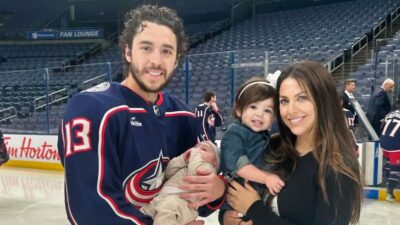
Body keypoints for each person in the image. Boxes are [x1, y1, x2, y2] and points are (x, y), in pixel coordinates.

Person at [57, 5, 225, 225]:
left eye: (166, 51)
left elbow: (194, 199)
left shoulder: (184, 117)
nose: (156, 60)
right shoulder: (91, 108)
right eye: (146, 48)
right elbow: (90, 209)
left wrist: (218, 188)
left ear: (176, 60)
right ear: (128, 51)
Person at [222, 60, 363, 225]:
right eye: (284, 101)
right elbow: (236, 186)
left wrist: (255, 210)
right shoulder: (273, 146)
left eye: (302, 98)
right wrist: (226, 218)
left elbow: (253, 207)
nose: (291, 110)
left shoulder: (337, 166)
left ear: (322, 100)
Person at [220, 77, 285, 212]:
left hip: (256, 199)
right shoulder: (235, 133)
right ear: (238, 110)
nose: (259, 114)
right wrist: (266, 178)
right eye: (253, 106)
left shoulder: (263, 135)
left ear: (273, 118)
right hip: (237, 201)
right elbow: (239, 166)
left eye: (267, 110)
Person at [140, 141, 220, 225]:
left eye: (204, 149)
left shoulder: (209, 170)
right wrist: (182, 159)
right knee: (145, 212)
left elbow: (195, 174)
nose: (196, 150)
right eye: (195, 147)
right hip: (162, 199)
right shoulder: (186, 165)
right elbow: (168, 173)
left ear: (215, 163)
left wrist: (195, 156)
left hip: (181, 204)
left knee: (166, 213)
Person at [380, 109, 400, 202]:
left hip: (384, 142)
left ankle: (387, 180)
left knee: (389, 161)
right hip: (395, 144)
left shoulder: (390, 113)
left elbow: (382, 127)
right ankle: (390, 192)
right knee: (396, 167)